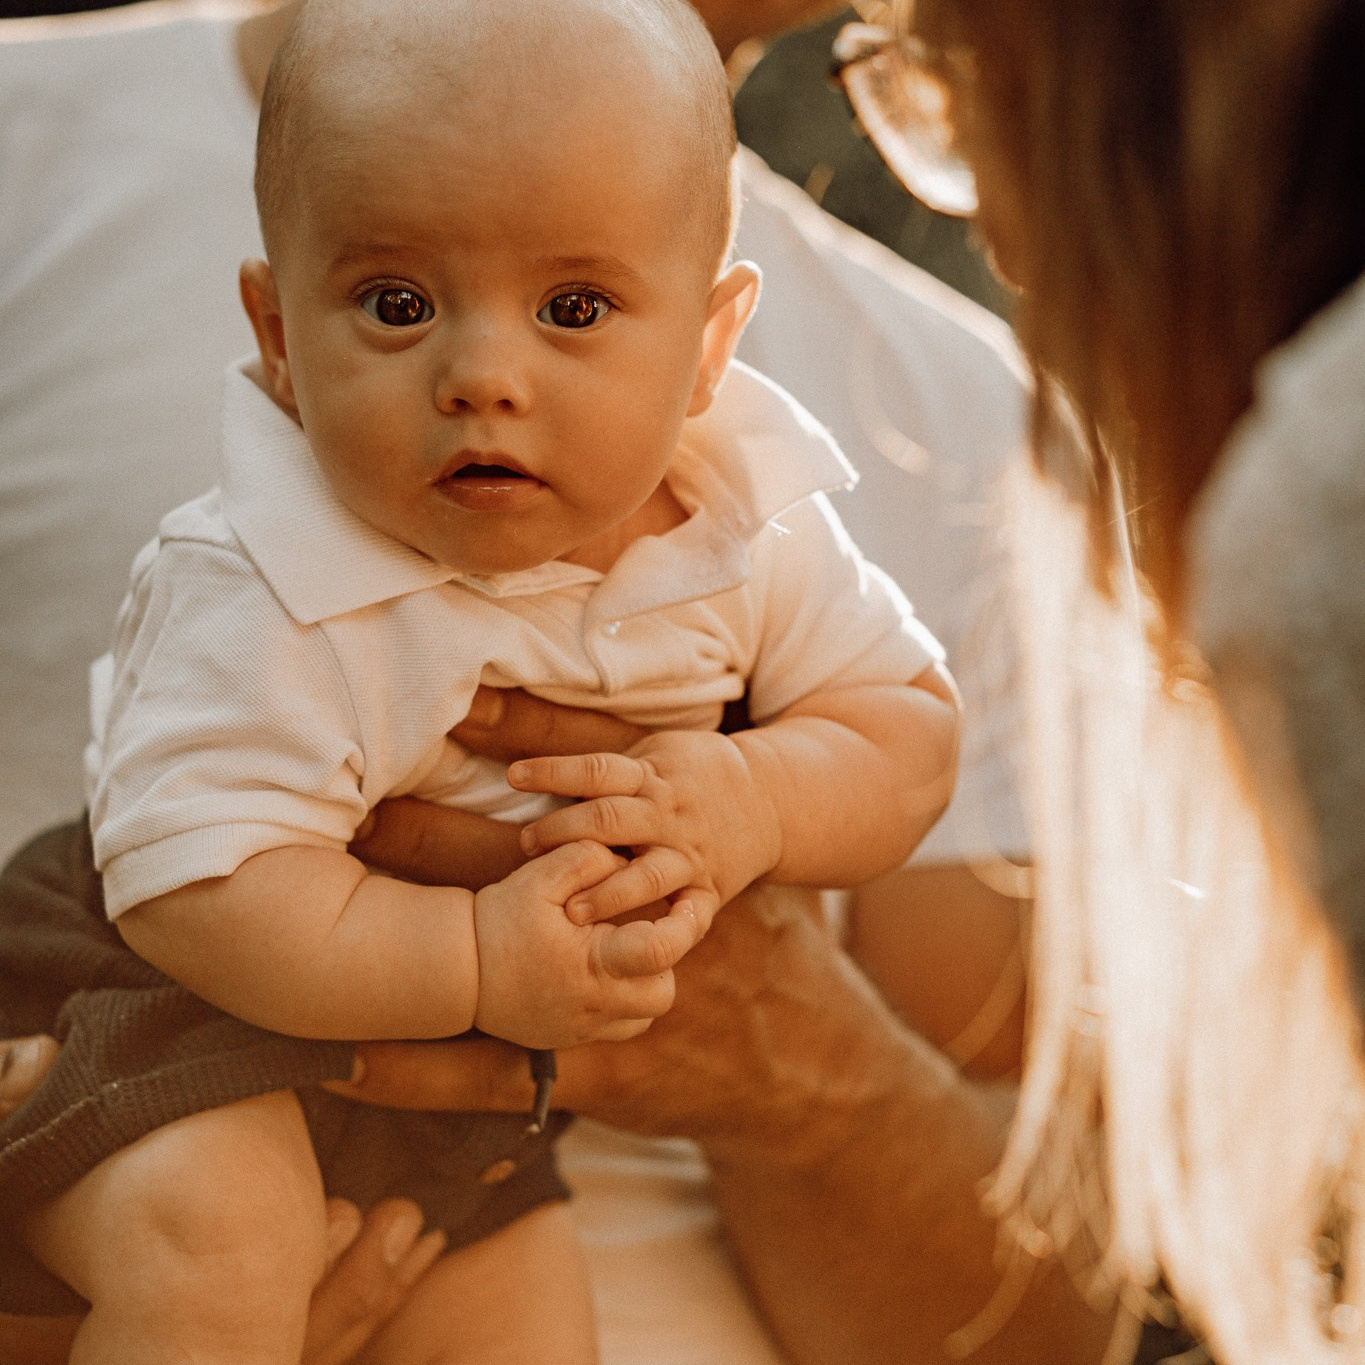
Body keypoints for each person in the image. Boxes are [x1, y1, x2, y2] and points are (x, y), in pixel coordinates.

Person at [0, 2, 1081, 1364]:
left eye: (573, 309)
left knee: (520, 1319)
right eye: (396, 307)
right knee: (219, 1237)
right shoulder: (256, 568)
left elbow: (901, 727)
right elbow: (194, 882)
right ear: (276, 336)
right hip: (167, 1003)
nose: (483, 376)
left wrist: (751, 792)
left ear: (708, 347)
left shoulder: (765, 500)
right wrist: (475, 958)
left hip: (487, 1120)